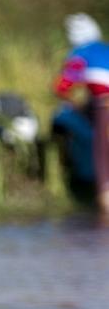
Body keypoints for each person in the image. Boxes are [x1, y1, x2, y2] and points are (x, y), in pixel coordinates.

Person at [52, 13, 109, 211]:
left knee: (101, 151)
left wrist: (75, 104)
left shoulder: (80, 55)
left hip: (105, 105)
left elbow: (61, 87)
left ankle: (104, 196)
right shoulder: (105, 50)